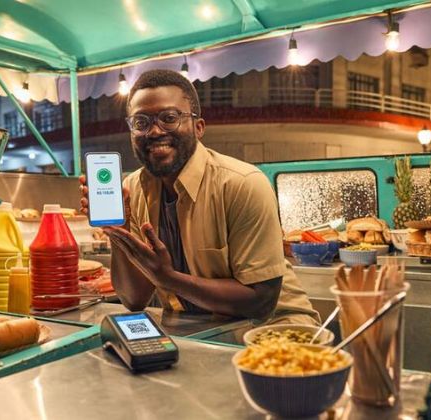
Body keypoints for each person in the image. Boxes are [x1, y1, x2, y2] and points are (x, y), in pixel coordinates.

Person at [81, 69, 318, 325]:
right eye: (141, 123)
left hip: (276, 327)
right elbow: (134, 300)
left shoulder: (242, 184)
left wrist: (168, 279)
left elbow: (261, 302)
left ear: (198, 126)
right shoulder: (133, 190)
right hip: (193, 328)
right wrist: (118, 232)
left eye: (169, 118)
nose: (154, 131)